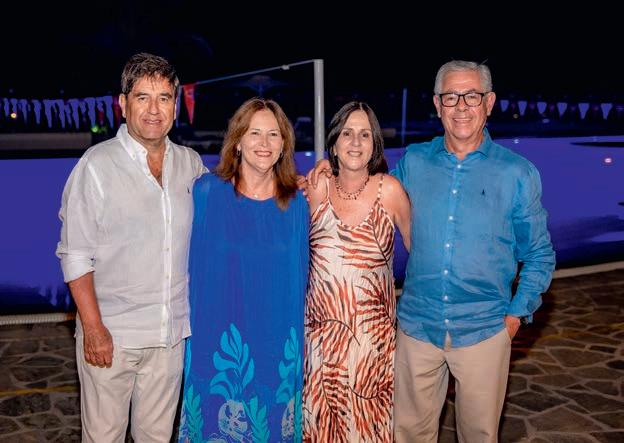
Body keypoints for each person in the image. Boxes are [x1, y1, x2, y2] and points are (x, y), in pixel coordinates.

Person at [308, 61, 556, 442]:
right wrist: (332, 167)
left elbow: (539, 254)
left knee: (478, 435)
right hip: (417, 329)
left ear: (489, 103)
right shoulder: (415, 162)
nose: (461, 106)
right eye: (451, 97)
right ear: (438, 105)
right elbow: (370, 190)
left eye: (472, 96)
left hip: (483, 329)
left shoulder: (517, 173)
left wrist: (514, 316)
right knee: (409, 434)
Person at [56, 52, 206, 442]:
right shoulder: (96, 166)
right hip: (113, 336)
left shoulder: (190, 165)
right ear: (123, 104)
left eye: (164, 98)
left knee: (156, 438)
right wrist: (93, 329)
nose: (154, 110)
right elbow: (75, 254)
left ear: (176, 105)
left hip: (170, 336)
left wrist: (292, 185)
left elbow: (234, 202)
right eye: (143, 97)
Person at [178, 98, 309, 443]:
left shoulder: (297, 203)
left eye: (273, 134)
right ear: (237, 140)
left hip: (276, 346)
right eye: (254, 133)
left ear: (284, 145)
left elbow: (301, 278)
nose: (264, 143)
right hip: (216, 344)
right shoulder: (206, 193)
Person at [302, 101, 411, 442]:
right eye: (347, 133)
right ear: (333, 144)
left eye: (365, 134)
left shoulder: (389, 191)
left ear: (374, 144)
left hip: (372, 350)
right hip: (321, 348)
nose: (355, 142)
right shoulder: (317, 189)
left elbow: (423, 257)